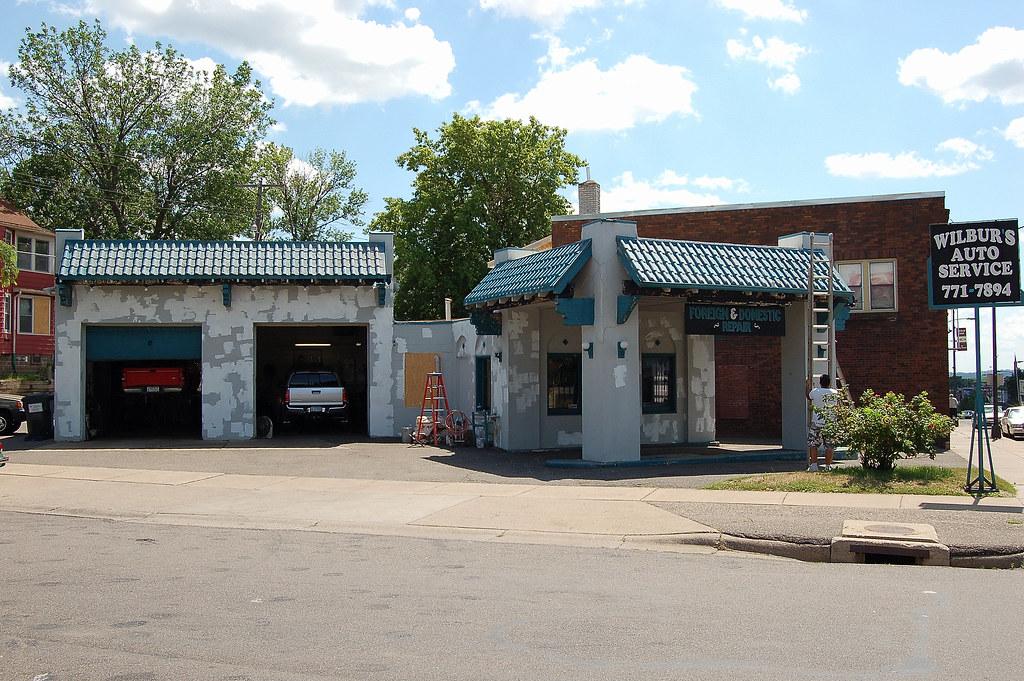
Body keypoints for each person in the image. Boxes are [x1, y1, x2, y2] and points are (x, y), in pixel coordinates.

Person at [806, 374, 839, 472]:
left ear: (820, 383)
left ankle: (814, 465)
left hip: (817, 422)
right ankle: (828, 466)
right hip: (830, 423)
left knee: (813, 444)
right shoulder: (835, 393)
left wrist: (807, 385)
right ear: (829, 383)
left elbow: (808, 397)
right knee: (829, 446)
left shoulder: (815, 392)